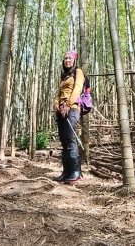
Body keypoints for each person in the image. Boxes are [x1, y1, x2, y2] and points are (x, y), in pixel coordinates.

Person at [52, 50, 85, 184]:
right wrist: (56, 103)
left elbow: (77, 89)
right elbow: (58, 93)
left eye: (70, 58)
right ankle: (66, 172)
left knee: (70, 139)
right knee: (64, 141)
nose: (67, 60)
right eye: (65, 58)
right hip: (60, 109)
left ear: (74, 60)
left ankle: (76, 172)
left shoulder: (78, 72)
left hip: (72, 108)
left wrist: (68, 104)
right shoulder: (64, 76)